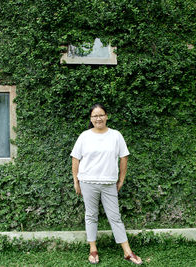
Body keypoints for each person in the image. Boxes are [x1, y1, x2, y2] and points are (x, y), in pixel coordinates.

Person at [70, 103, 142, 265]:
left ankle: (127, 252)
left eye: (101, 115)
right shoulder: (84, 136)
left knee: (115, 217)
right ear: (91, 118)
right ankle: (93, 250)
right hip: (88, 182)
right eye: (95, 116)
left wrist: (121, 179)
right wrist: (76, 181)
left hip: (109, 183)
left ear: (106, 116)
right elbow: (75, 158)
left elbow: (124, 157)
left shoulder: (116, 135)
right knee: (91, 216)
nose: (98, 118)